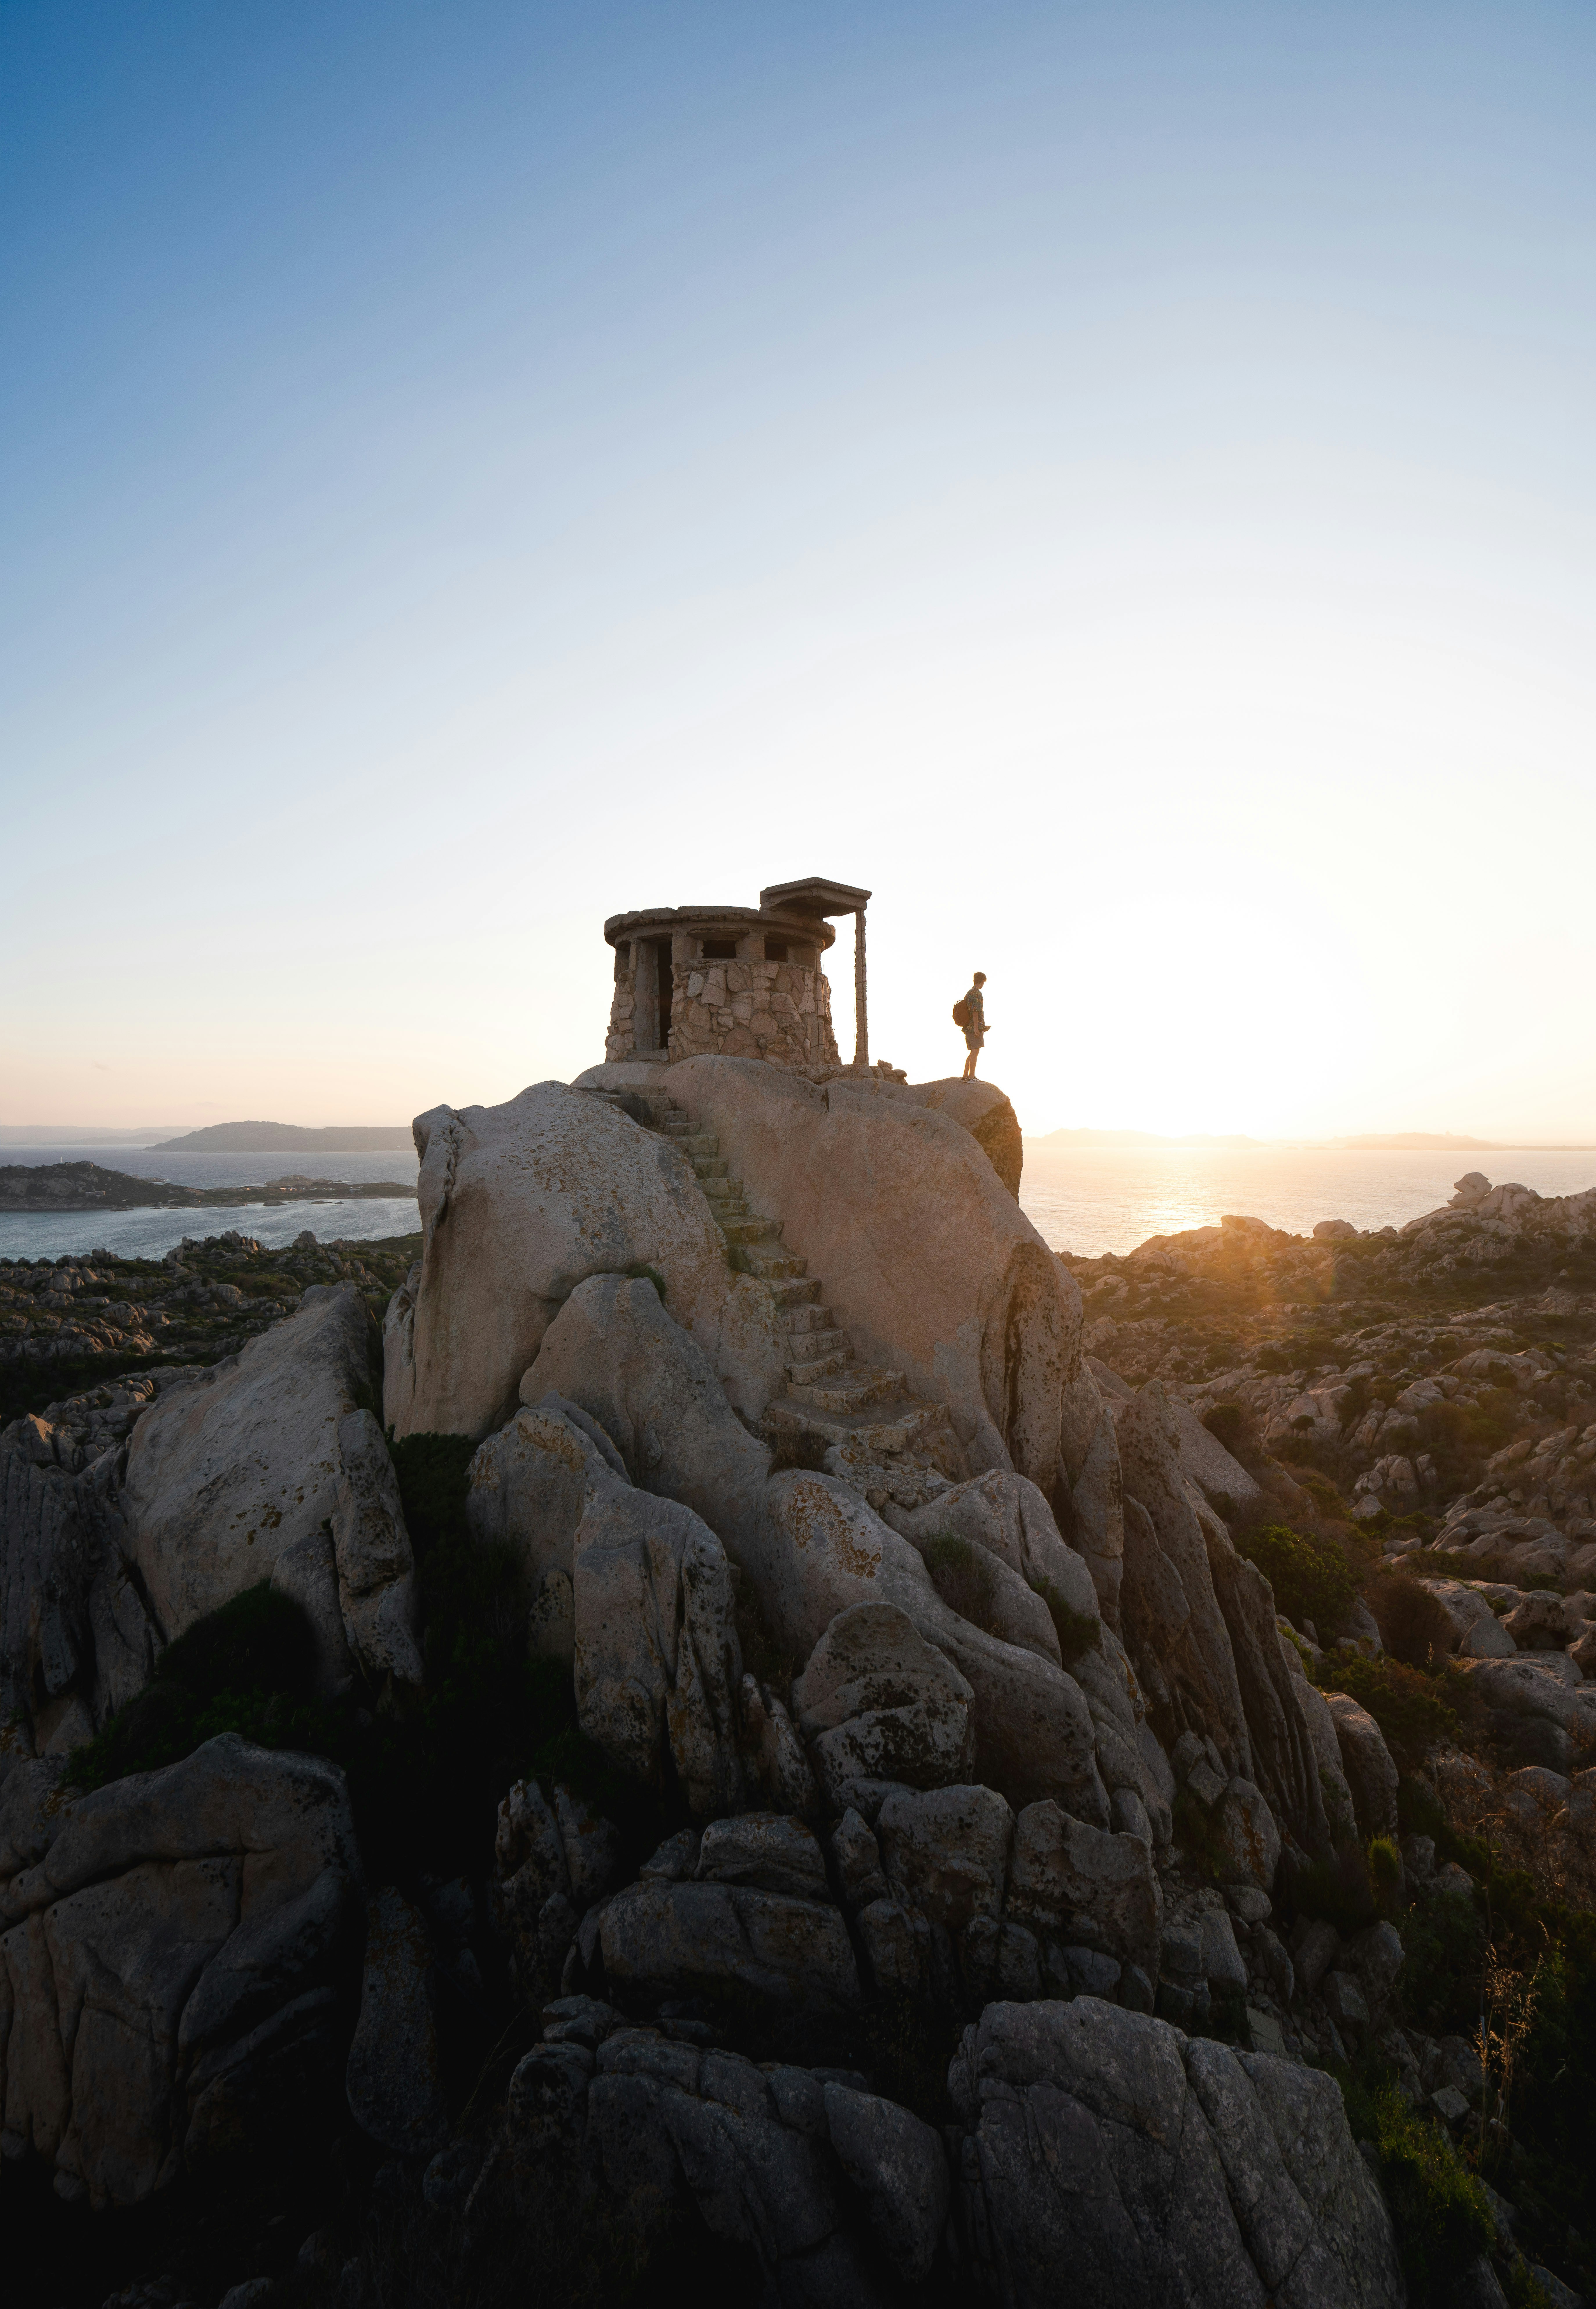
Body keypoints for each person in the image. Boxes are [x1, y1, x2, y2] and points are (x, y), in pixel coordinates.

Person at [960, 971, 988, 1080]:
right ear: (982, 982)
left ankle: (966, 1076)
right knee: (976, 1051)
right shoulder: (977, 993)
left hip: (968, 1028)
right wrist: (976, 1028)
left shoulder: (969, 993)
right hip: (974, 1028)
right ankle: (972, 1077)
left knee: (973, 1051)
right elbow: (975, 1011)